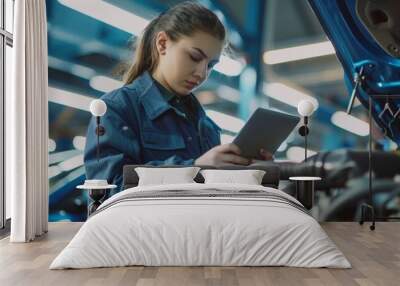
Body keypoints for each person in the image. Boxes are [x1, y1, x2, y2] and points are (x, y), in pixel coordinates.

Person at [84, 1, 272, 192]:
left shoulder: (207, 128)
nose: (201, 73)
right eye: (195, 57)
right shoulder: (116, 109)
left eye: (210, 65)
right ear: (162, 44)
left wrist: (248, 172)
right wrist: (195, 169)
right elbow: (107, 190)